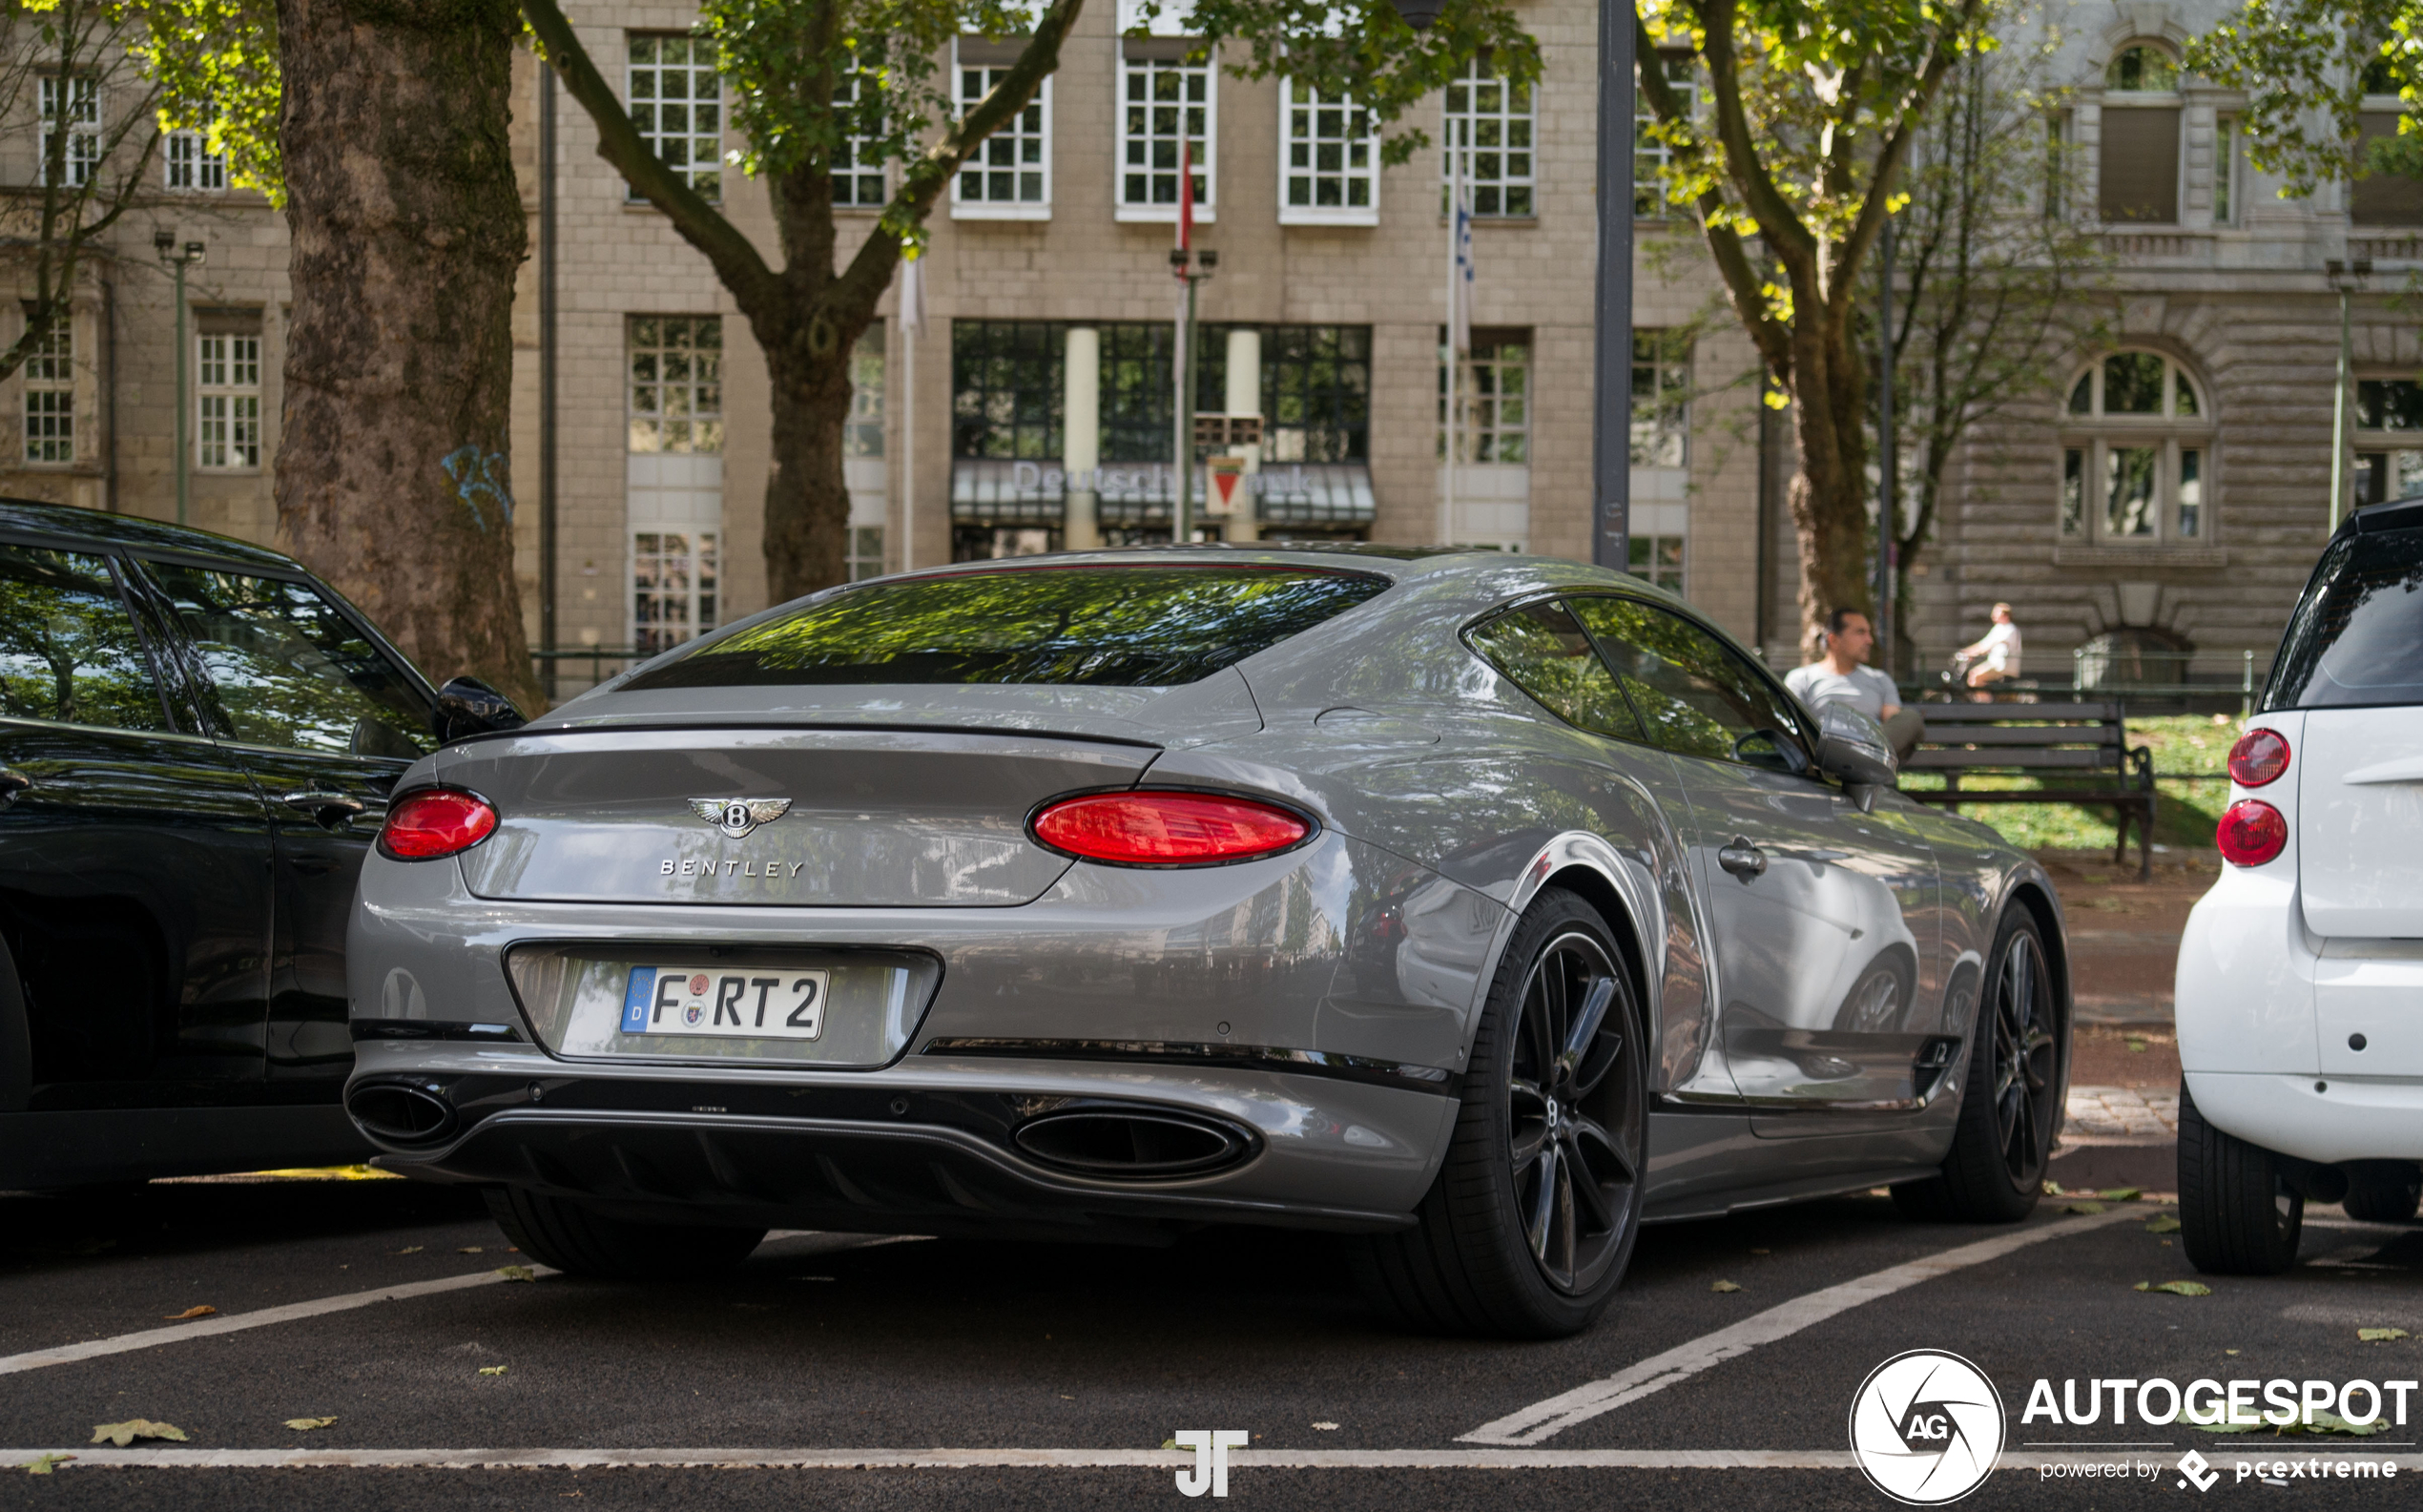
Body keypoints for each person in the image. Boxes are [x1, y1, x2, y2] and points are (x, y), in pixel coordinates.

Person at [1786, 608, 1923, 762]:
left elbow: (1894, 727)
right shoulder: (1801, 678)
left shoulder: (1880, 679)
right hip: (1823, 758)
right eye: (1860, 632)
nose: (1869, 640)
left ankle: (1860, 758)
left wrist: (1865, 747)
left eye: (1869, 633)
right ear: (1834, 640)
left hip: (1870, 763)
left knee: (1910, 718)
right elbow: (1794, 728)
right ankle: (1857, 759)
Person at [1957, 602, 2023, 691]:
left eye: (1996, 613)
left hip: (2003, 667)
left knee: (1976, 676)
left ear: (2005, 615)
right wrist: (1965, 651)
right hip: (1994, 664)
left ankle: (1986, 702)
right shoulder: (1997, 628)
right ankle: (1984, 699)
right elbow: (1982, 644)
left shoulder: (2011, 629)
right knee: (1973, 675)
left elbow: (1989, 646)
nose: (1993, 615)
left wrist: (1976, 653)